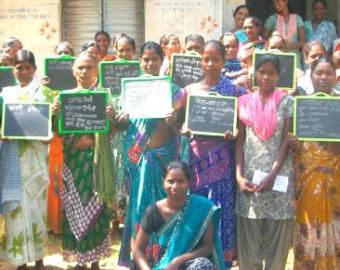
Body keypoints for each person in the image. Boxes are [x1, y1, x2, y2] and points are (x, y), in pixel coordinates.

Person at [176, 40, 246, 268]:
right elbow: (174, 119)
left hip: (223, 164)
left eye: (215, 59)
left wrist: (234, 134)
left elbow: (243, 127)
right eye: (206, 59)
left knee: (222, 212)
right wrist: (183, 129)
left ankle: (223, 261)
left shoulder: (235, 91)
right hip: (197, 164)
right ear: (201, 61)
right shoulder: (190, 91)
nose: (211, 63)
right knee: (199, 211)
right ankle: (199, 262)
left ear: (223, 61)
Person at [118, 41, 180, 267]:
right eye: (146, 58)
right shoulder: (131, 89)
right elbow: (123, 125)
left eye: (155, 58)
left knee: (166, 207)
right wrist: (121, 121)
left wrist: (174, 119)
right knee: (139, 208)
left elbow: (179, 128)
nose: (150, 63)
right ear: (140, 61)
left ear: (162, 61)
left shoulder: (173, 90)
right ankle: (139, 258)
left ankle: (163, 258)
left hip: (164, 160)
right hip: (139, 158)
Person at [53, 52, 114, 270]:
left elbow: (112, 132)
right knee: (74, 211)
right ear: (73, 71)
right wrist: (55, 115)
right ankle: (80, 259)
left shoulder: (104, 96)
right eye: (80, 67)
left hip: (99, 165)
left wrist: (111, 118)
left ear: (96, 71)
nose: (84, 72)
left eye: (89, 67)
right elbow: (56, 133)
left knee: (98, 211)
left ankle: (96, 259)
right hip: (74, 165)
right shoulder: (64, 98)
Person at [236, 53, 294, 270]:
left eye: (271, 73)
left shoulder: (287, 102)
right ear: (254, 74)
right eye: (262, 72)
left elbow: (285, 143)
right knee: (249, 239)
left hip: (279, 178)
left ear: (278, 76)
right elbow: (240, 141)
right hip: (249, 179)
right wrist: (239, 176)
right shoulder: (243, 102)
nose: (266, 77)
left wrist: (272, 174)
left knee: (276, 242)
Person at [0, 49, 52, 270]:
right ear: (13, 70)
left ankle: (39, 257)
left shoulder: (43, 94)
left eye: (27, 67)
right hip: (12, 158)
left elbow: (49, 127)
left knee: (37, 207)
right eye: (18, 67)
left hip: (35, 160)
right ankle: (20, 258)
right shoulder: (6, 95)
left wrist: (47, 135)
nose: (22, 71)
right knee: (15, 208)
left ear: (34, 69)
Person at [288, 57, 340, 269]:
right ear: (311, 75)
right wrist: (293, 142)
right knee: (307, 223)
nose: (324, 78)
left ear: (336, 77)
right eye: (319, 73)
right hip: (306, 174)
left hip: (335, 175)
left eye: (329, 73)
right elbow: (291, 135)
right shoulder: (301, 104)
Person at [133, 161, 225, 270]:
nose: (175, 186)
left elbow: (207, 248)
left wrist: (177, 261)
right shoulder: (153, 211)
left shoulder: (203, 207)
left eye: (181, 181)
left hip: (191, 262)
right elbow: (138, 249)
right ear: (163, 182)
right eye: (170, 181)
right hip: (163, 264)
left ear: (189, 183)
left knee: (202, 265)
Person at [264, 0, 305, 68]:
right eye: (273, 2)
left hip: (294, 59)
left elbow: (302, 42)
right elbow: (265, 40)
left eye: (277, 1)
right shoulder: (272, 19)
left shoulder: (297, 19)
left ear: (286, 1)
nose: (275, 4)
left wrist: (284, 46)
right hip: (276, 59)